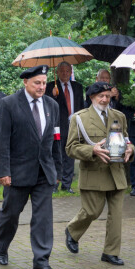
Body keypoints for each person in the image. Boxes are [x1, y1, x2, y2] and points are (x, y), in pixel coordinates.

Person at [0, 65, 62, 269]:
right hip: (17, 173)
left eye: (44, 83)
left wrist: (58, 170)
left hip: (44, 172)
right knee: (10, 215)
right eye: (37, 83)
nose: (42, 87)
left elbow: (55, 140)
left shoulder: (52, 105)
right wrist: (3, 171)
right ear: (25, 82)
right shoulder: (8, 104)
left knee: (43, 218)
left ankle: (41, 260)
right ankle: (2, 245)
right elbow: (2, 140)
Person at [64, 82, 134, 266]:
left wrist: (130, 150)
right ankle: (72, 230)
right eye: (100, 96)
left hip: (116, 173)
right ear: (91, 97)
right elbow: (71, 148)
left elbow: (127, 140)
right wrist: (92, 150)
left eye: (108, 96)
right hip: (93, 173)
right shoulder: (79, 118)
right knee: (92, 211)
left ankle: (110, 253)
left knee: (116, 215)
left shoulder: (119, 116)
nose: (104, 100)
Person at [45, 61, 84, 193]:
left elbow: (81, 106)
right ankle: (55, 183)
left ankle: (67, 185)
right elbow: (47, 105)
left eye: (67, 71)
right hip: (57, 126)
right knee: (57, 154)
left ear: (71, 72)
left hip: (73, 126)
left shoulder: (78, 87)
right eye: (62, 71)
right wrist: (53, 95)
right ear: (57, 72)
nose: (65, 73)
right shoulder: (50, 87)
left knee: (70, 155)